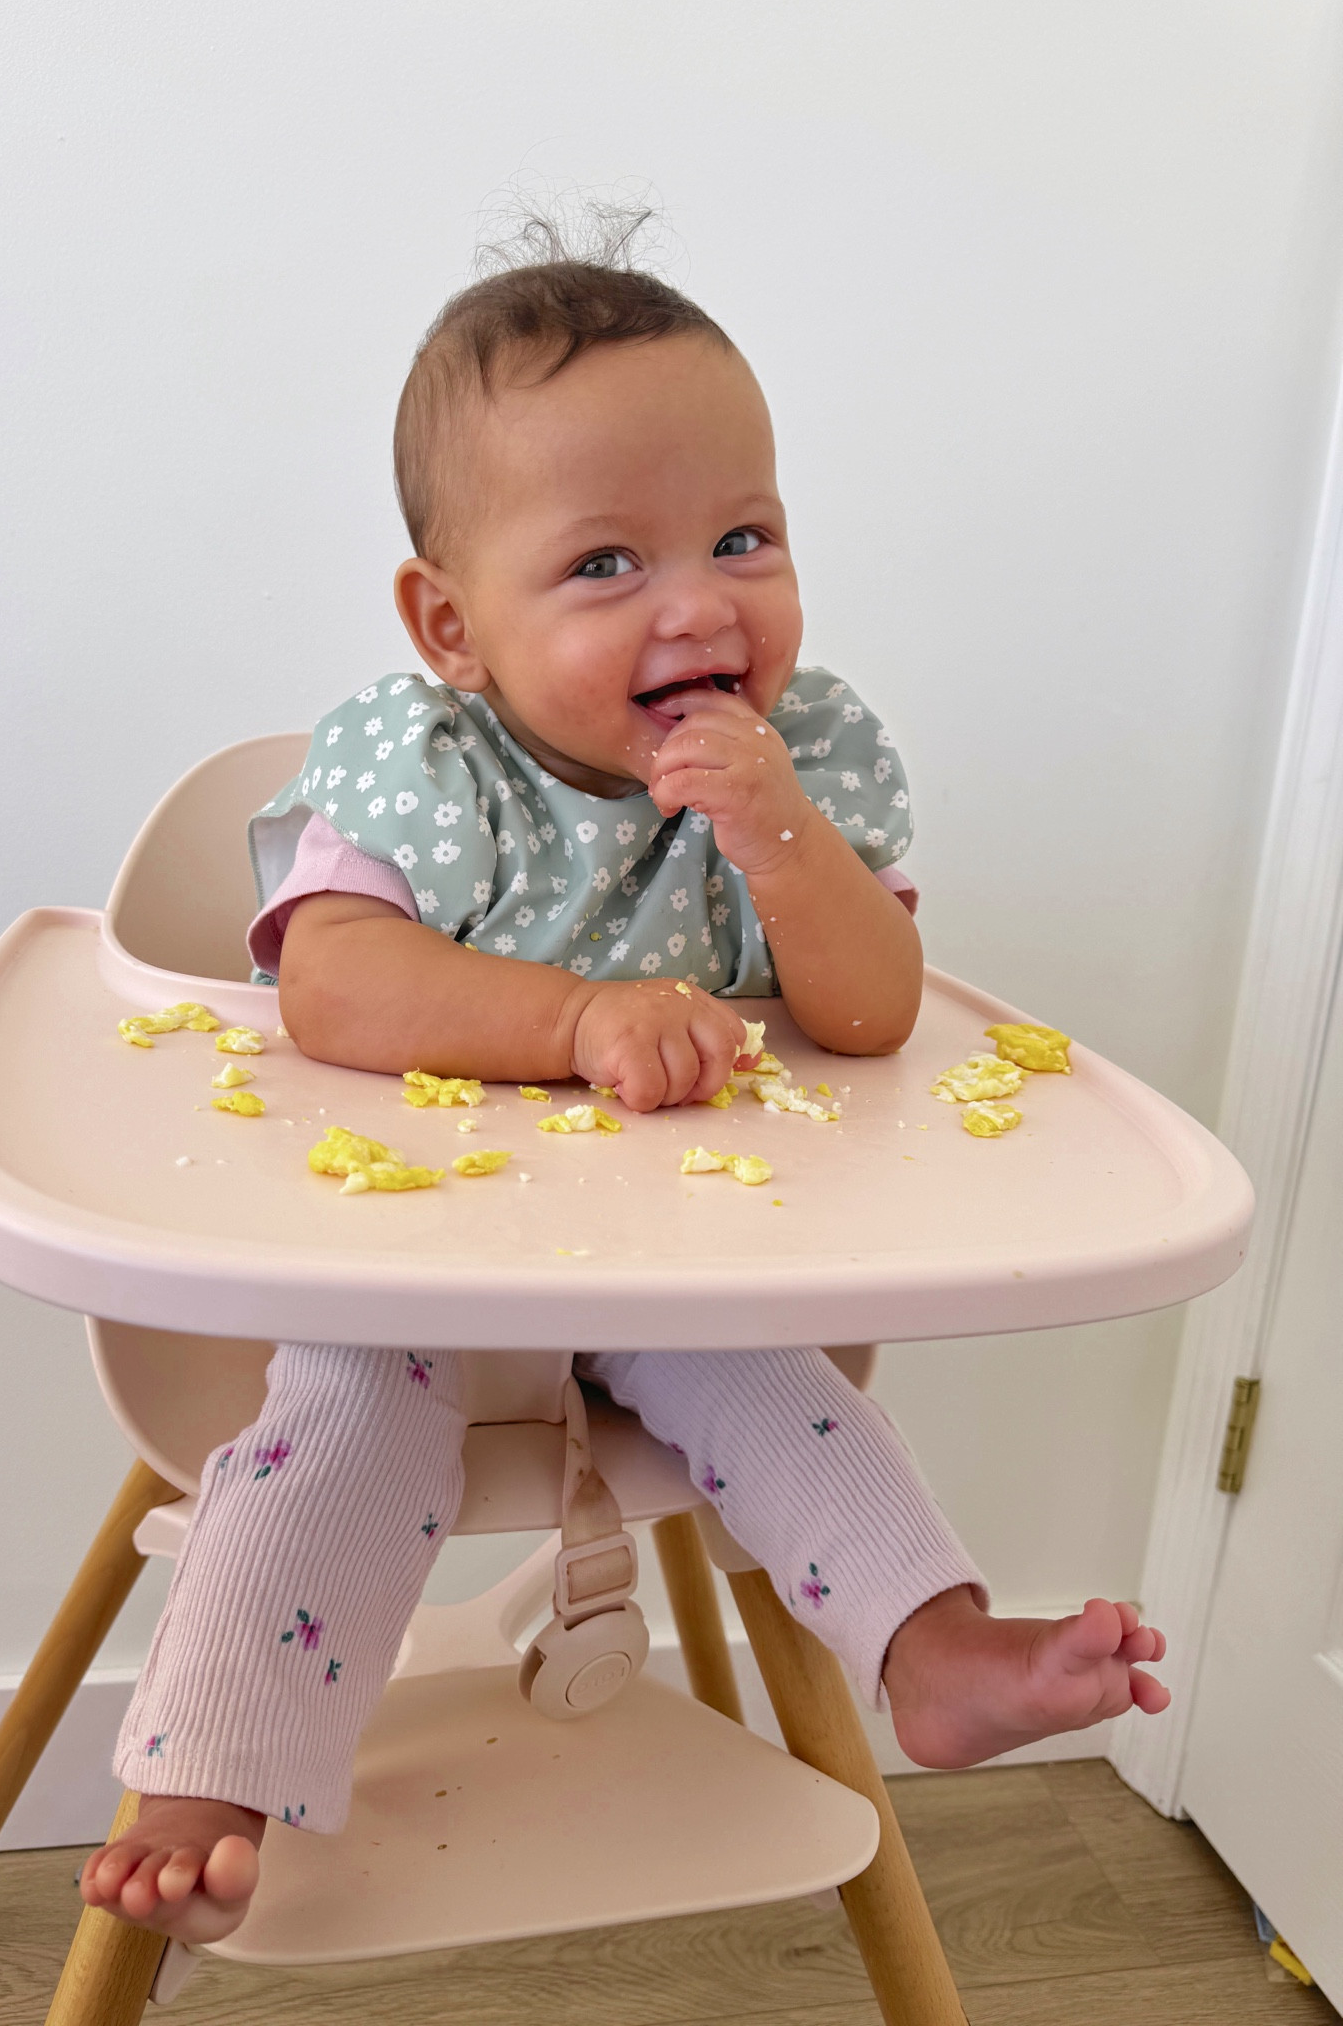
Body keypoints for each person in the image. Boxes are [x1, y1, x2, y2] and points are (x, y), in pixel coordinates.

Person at [81, 236, 1169, 1944]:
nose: (698, 603)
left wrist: (784, 839)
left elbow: (876, 1022)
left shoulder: (799, 762)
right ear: (453, 624)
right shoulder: (425, 768)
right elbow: (335, 983)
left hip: (678, 1274)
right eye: (605, 562)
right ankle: (214, 1764)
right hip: (408, 1270)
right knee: (339, 1426)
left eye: (744, 538)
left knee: (793, 1394)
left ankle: (934, 1651)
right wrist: (581, 1017)